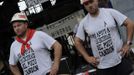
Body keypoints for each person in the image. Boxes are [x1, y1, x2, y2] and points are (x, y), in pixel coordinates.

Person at [74, 0, 134, 75]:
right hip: (103, 66)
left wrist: (128, 44)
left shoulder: (110, 12)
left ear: (96, 1)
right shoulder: (84, 22)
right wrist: (87, 58)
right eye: (86, 4)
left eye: (91, 1)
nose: (89, 5)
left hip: (120, 59)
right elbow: (77, 42)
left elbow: (130, 24)